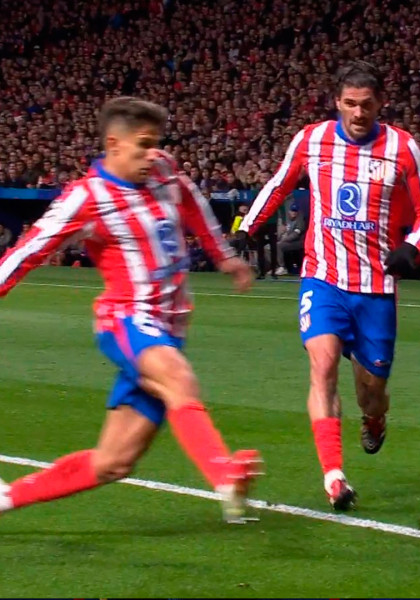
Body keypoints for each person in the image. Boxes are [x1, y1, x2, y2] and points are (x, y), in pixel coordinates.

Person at [0, 97, 261, 524]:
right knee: (179, 379)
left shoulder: (162, 168)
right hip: (127, 320)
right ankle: (225, 479)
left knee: (114, 462)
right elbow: (27, 251)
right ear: (113, 144)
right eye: (142, 145)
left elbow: (192, 201)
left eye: (156, 142)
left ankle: (8, 498)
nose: (151, 153)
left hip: (170, 328)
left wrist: (224, 256)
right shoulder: (86, 198)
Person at [239, 61, 420, 510]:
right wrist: (245, 229)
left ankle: (375, 418)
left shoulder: (403, 148)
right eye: (349, 104)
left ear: (380, 104)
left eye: (366, 105)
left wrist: (412, 245)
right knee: (323, 365)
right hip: (323, 277)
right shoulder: (312, 140)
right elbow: (278, 184)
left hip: (375, 288)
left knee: (371, 390)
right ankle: (333, 476)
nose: (358, 113)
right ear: (337, 102)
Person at [275, 202, 306, 274]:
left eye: (295, 211)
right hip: (289, 241)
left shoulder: (300, 221)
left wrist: (284, 240)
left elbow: (295, 234)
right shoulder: (287, 220)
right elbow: (284, 231)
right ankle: (276, 266)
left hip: (298, 242)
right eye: (292, 211)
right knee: (275, 245)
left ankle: (282, 267)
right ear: (289, 211)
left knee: (279, 245)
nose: (294, 213)